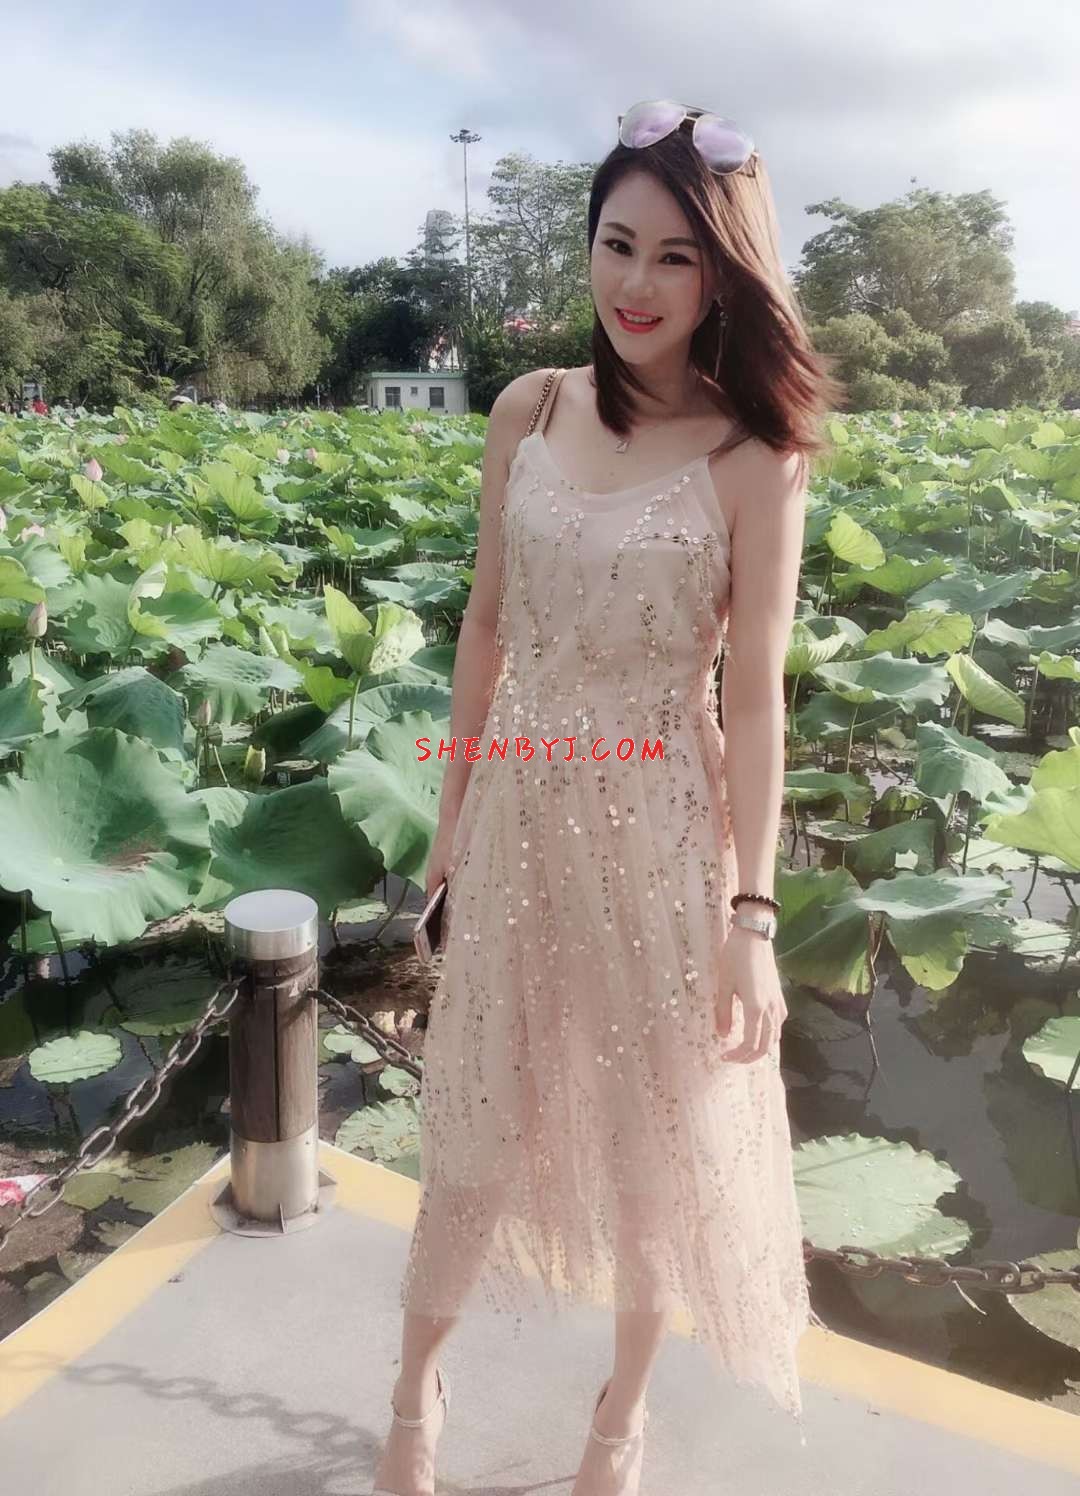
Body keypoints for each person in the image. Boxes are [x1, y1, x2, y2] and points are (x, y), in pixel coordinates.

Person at [372, 100, 844, 1496]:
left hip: (664, 830)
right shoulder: (528, 408)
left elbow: (752, 697)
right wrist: (452, 822)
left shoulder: (756, 455)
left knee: (658, 1146)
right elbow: (485, 625)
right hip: (521, 814)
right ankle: (413, 1393)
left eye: (676, 258)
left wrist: (752, 914)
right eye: (617, 244)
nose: (637, 284)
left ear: (723, 277)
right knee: (473, 1122)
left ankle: (618, 1418)